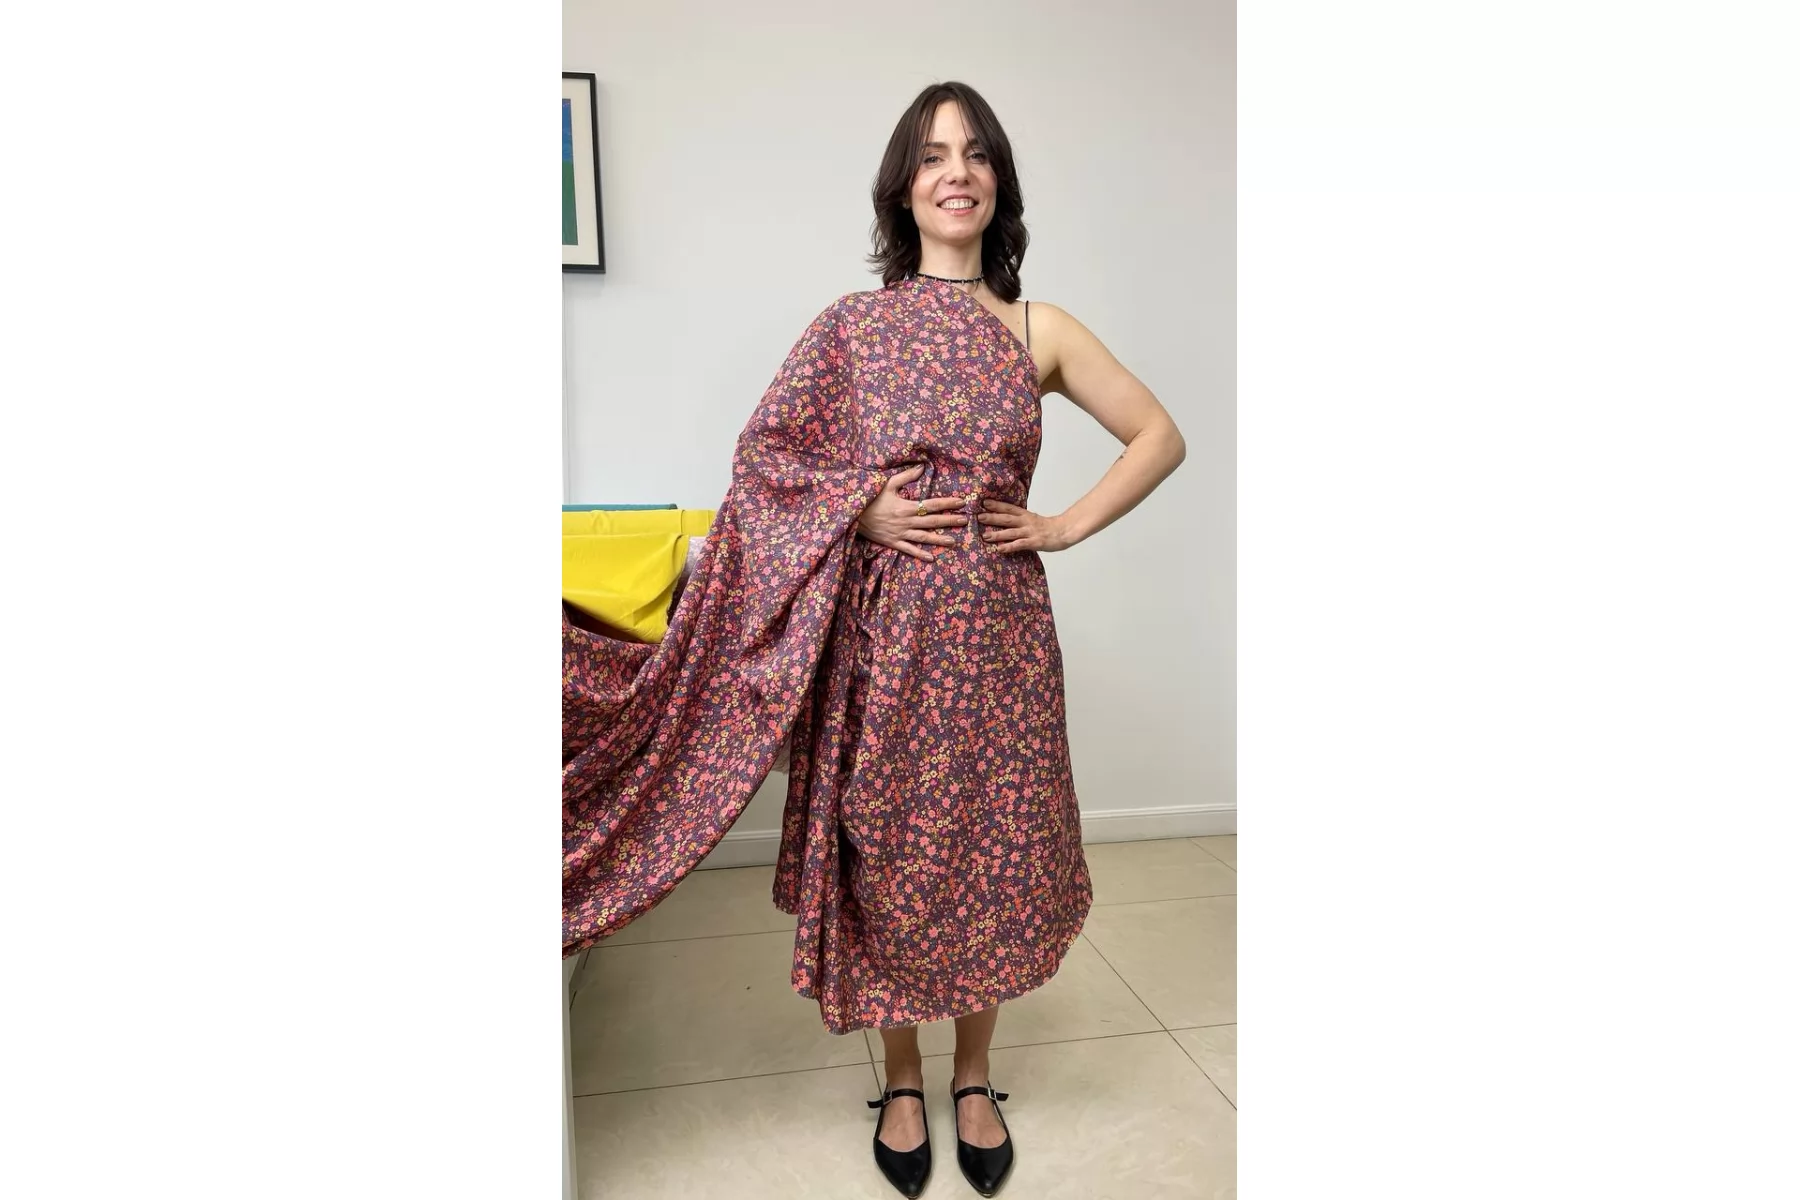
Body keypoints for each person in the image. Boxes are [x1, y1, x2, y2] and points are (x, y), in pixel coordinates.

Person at [561, 80, 1185, 1199]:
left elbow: (1157, 434)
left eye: (977, 153)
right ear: (903, 187)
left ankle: (974, 1075)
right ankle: (901, 1078)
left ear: (999, 183)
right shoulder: (851, 331)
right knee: (890, 850)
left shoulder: (1038, 330)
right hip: (884, 644)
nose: (958, 172)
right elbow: (766, 461)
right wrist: (858, 506)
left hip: (1000, 643)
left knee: (993, 850)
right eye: (934, 155)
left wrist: (1058, 526)